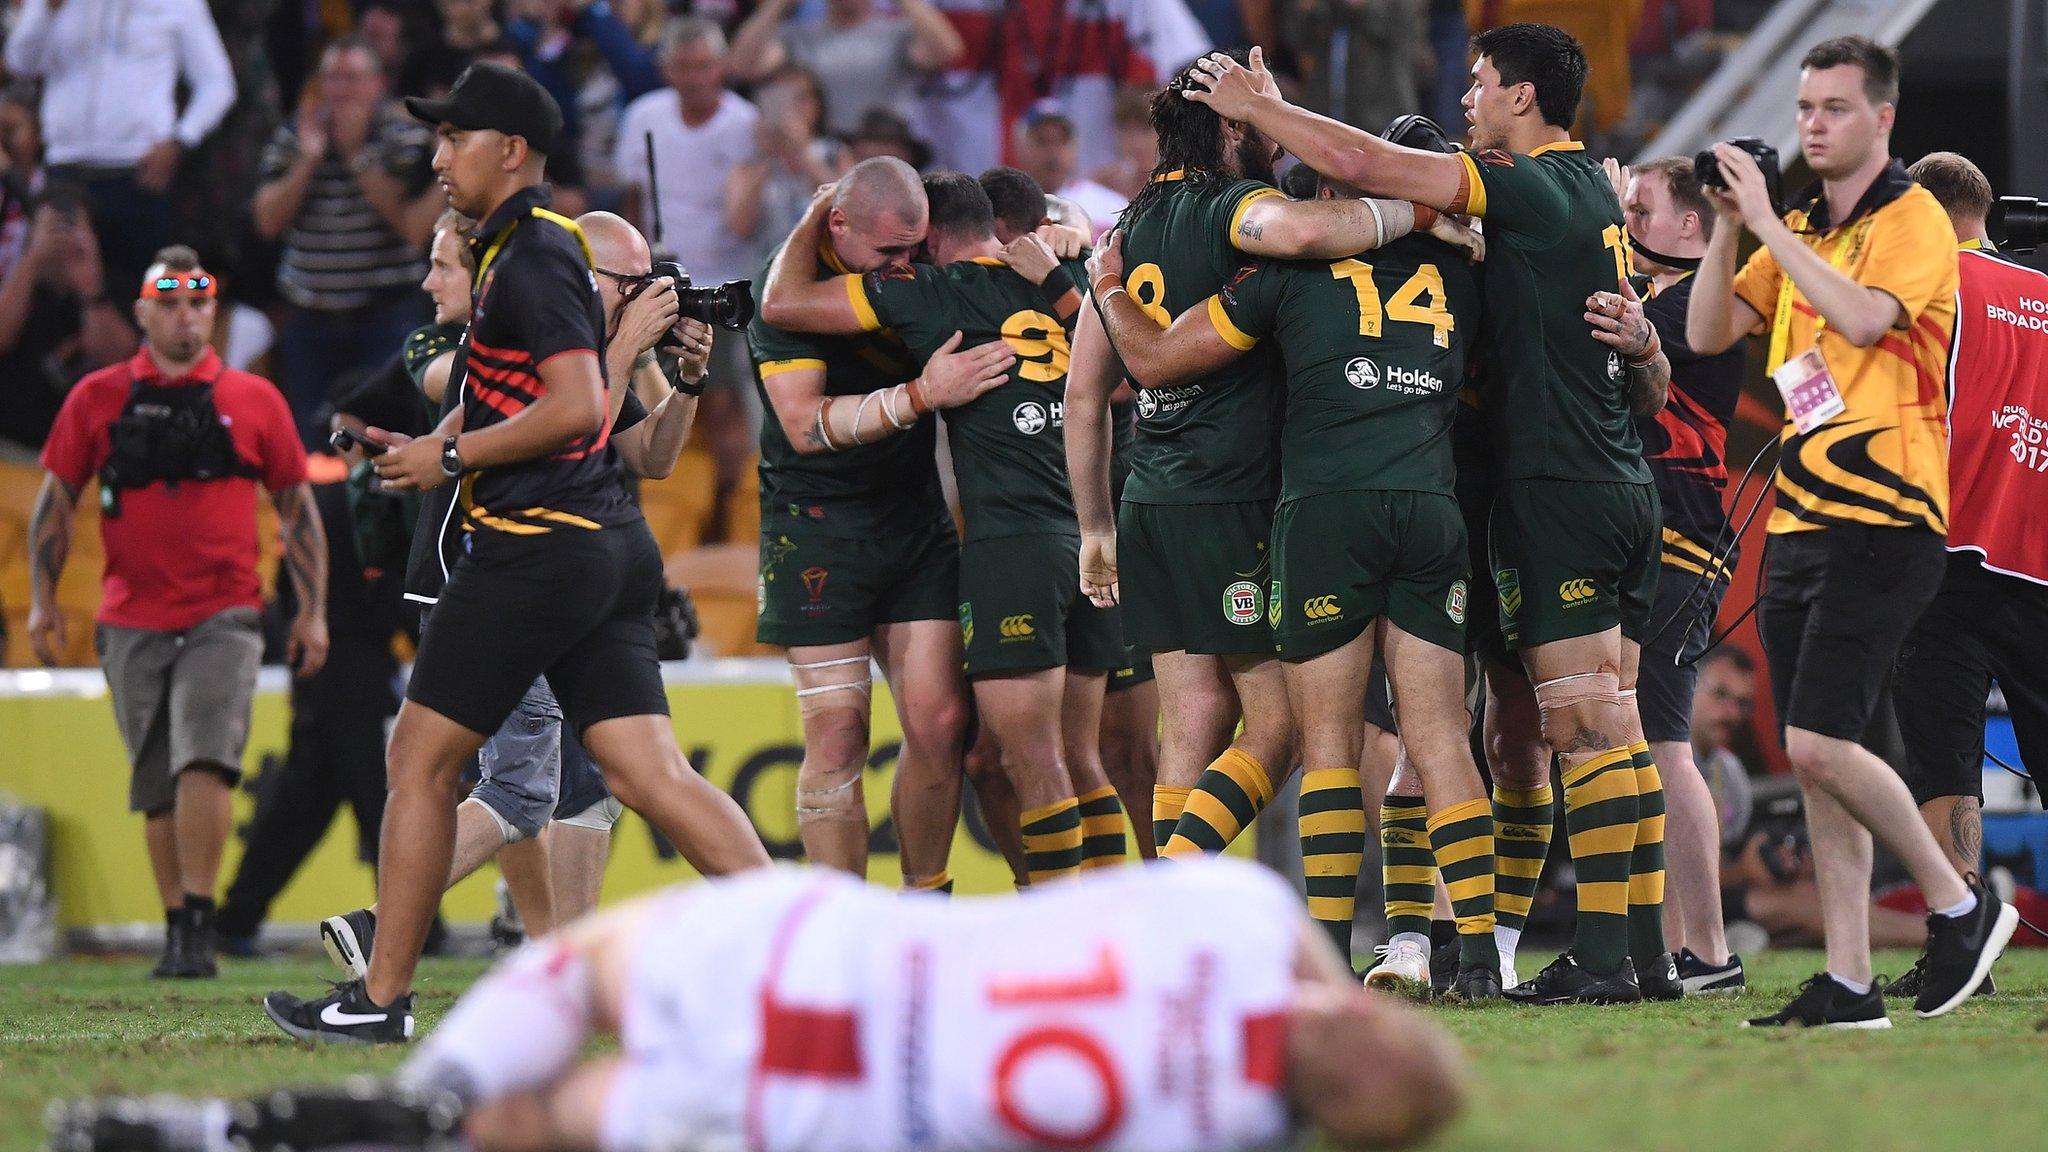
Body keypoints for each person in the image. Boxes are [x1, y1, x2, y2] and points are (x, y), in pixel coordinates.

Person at [260, 63, 770, 1046]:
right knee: (646, 773)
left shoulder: (531, 262)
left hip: (536, 546)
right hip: (606, 547)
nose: (437, 158)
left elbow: (578, 410)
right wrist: (432, 444)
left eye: (453, 140)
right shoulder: (527, 257)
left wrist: (445, 453)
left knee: (417, 760)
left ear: (511, 150)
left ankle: (378, 999)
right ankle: (819, 952)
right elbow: (546, 404)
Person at [1180, 27, 1681, 1004]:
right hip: (1545, 493)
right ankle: (1591, 951)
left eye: (1481, 84)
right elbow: (1640, 378)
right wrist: (1647, 351)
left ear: (1521, 98)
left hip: (1529, 494)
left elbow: (1358, 169)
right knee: (1545, 732)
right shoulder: (1571, 206)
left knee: (1537, 728)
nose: (1468, 99)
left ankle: (1590, 956)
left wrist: (1257, 112)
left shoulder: (1517, 193)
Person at [55, 858, 1465, 1152]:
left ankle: (411, 1095)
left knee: (577, 967)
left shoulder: (1239, 918)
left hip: (833, 955)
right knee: (536, 1132)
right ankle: (221, 1140)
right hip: (822, 1103)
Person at [1087, 154, 1499, 997]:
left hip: (1323, 513)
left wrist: (1108, 285)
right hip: (1432, 506)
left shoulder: (1285, 277)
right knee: (1440, 739)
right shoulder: (1466, 272)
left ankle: (1323, 962)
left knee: (1324, 748)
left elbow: (1160, 360)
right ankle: (1479, 960)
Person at [1684, 34, 2015, 1027]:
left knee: (1821, 743)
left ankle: (1960, 909)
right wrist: (1719, 229)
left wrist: (1769, 232)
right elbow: (1707, 336)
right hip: (1799, 518)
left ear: (1881, 118)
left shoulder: (1911, 216)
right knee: (1809, 757)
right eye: (1804, 108)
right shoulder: (1793, 225)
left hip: (1886, 516)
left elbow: (1866, 323)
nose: (1812, 124)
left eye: (1832, 107)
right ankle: (1849, 980)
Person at [317, 205, 714, 975]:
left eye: (444, 267)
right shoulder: (500, 347)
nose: (432, 281)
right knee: (523, 787)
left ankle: (549, 957)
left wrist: (686, 376)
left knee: (560, 782)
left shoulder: (570, 348)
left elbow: (649, 453)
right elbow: (561, 420)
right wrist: (626, 343)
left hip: (546, 577)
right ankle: (384, 931)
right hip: (495, 575)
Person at [761, 170, 1130, 881]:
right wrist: (1065, 250)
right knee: (1084, 757)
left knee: (1035, 760)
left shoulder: (935, 292)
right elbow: (1121, 382)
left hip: (1012, 546)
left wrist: (815, 214)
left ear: (929, 239)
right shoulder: (1056, 279)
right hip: (1089, 539)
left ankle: (1068, 944)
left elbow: (782, 302)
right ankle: (1121, 935)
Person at [28, 246, 328, 979]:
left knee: (206, 758)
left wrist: (312, 610)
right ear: (141, 312)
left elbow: (298, 508)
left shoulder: (254, 400)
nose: (185, 315)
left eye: (198, 302)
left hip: (225, 610)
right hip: (131, 617)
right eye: (169, 302)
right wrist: (41, 602)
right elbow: (55, 504)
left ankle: (198, 915)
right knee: (156, 777)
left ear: (213, 311)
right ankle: (178, 926)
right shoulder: (96, 399)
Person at [745, 157, 1015, 885]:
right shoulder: (787, 289)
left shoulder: (911, 259)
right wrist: (923, 396)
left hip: (913, 521)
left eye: (914, 248)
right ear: (838, 225)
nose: (906, 267)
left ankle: (924, 910)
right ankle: (847, 932)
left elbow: (1003, 217)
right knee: (837, 738)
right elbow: (803, 426)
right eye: (889, 252)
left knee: (941, 727)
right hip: (816, 529)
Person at [1884, 151, 2048, 1002]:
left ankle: (1960, 951)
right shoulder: (2046, 296)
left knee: (1945, 764)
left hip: (1948, 554)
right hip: (2042, 560)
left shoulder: (1927, 287)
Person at [1613, 155, 1749, 996]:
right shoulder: (1676, 294)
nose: (1627, 225)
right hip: (1664, 543)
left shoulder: (1692, 305)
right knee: (1645, 743)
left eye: (1638, 211)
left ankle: (1707, 949)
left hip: (1679, 546)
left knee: (1665, 745)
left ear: (1691, 228)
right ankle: (1670, 946)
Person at [254, 37, 443, 448]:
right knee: (311, 445)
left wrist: (357, 154)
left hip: (387, 317)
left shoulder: (404, 136)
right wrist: (307, 160)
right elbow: (266, 221)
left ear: (378, 84)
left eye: (352, 79)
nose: (339, 90)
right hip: (310, 317)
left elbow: (412, 230)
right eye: (331, 79)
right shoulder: (296, 132)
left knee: (381, 440)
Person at [614, 17, 761, 504]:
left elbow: (748, 216)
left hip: (718, 285)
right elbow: (631, 202)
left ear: (721, 67)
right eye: (685, 67)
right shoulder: (643, 116)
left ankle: (724, 509)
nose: (696, 77)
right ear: (666, 70)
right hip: (654, 282)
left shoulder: (743, 123)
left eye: (704, 66)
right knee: (638, 392)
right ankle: (654, 504)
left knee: (718, 404)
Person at [2, 0, 235, 294]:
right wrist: (48, 11)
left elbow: (217, 83)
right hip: (66, 171)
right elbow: (20, 62)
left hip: (139, 174)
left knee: (139, 296)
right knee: (59, 299)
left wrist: (180, 140)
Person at [728, 0, 966, 136]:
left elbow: (948, 51)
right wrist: (779, 5)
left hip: (882, 150)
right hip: (818, 155)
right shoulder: (798, 35)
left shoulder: (896, 34)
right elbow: (742, 65)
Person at [1010, 100, 1128, 236]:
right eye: (1041, 141)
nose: (1053, 151)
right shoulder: (1002, 209)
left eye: (1062, 140)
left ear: (1076, 146)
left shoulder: (1111, 207)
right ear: (1019, 147)